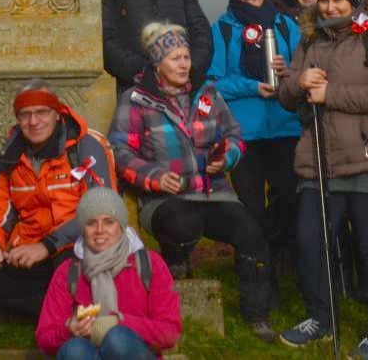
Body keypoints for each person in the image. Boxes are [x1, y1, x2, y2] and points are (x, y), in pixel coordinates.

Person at [109, 21, 276, 337]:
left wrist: (225, 158)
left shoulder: (208, 94)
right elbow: (118, 150)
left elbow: (235, 137)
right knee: (182, 225)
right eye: (175, 58)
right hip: (164, 198)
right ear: (158, 63)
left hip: (214, 193)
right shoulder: (136, 99)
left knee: (251, 233)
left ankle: (258, 314)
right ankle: (176, 270)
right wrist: (154, 177)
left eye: (186, 57)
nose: (185, 64)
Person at [275, 0, 368, 358]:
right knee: (310, 241)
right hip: (319, 162)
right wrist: (297, 84)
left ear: (354, 0)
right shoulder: (309, 39)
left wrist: (330, 93)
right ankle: (320, 317)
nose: (330, 6)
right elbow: (285, 93)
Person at [0, 79, 116, 317]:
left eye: (41, 112)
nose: (33, 122)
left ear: (57, 113)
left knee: (70, 269)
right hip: (28, 253)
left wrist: (48, 246)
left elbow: (100, 210)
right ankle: (60, 308)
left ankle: (59, 309)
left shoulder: (86, 146)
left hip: (77, 246)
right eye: (25, 115)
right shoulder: (7, 159)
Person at [204, 0, 302, 291]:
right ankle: (255, 267)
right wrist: (250, 86)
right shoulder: (223, 29)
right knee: (250, 205)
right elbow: (212, 81)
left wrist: (286, 71)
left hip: (286, 126)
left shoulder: (287, 25)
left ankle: (278, 258)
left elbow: (306, 69)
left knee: (287, 198)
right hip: (244, 133)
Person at [34, 187, 183, 359]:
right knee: (74, 350)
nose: (99, 230)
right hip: (88, 353)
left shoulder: (150, 264)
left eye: (109, 221)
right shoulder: (68, 271)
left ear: (121, 225)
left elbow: (170, 332)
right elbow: (44, 338)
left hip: (134, 352)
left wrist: (119, 323)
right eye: (91, 223)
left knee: (117, 340)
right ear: (83, 228)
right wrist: (69, 329)